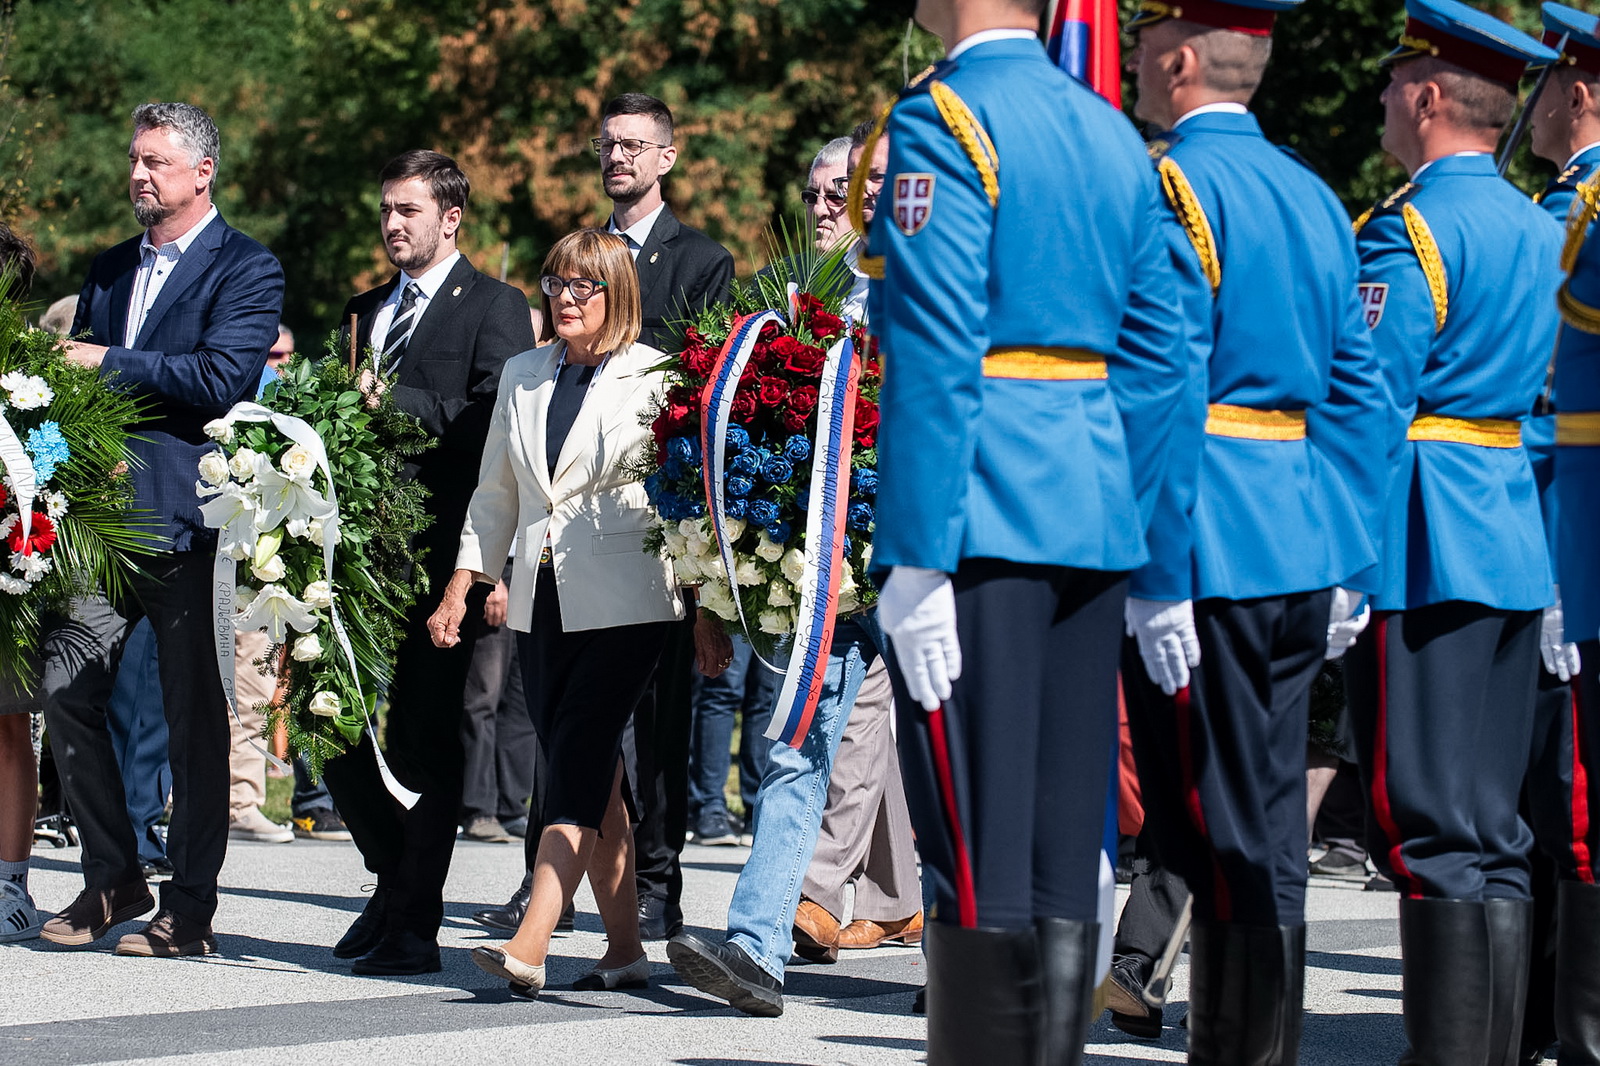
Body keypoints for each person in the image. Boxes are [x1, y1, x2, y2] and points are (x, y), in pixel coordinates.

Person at [862, 0, 1189, 1060]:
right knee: (1058, 845)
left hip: (980, 512)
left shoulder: (945, 118)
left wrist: (914, 551)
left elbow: (935, 340)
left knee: (972, 845)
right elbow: (1159, 358)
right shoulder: (1109, 131)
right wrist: (1156, 550)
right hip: (1092, 512)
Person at [1120, 0, 1389, 1056]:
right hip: (1298, 534)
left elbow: (1166, 383)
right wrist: (1353, 558)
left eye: (1142, 48)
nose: (1133, 64)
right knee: (1268, 814)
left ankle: (1237, 1050)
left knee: (1215, 815)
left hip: (1209, 538)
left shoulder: (1174, 186)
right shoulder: (1318, 196)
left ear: (1179, 60)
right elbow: (1358, 392)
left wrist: (1158, 564)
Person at [1343, 3, 1563, 1062]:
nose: (1384, 101)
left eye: (1394, 83)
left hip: (1421, 532)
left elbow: (1372, 405)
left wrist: (1341, 556)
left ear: (1429, 96)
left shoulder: (1409, 228)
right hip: (1511, 529)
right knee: (1495, 828)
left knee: (1422, 817)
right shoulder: (1538, 224)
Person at [666, 130, 920, 1015]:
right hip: (837, 565)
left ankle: (979, 958)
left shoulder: (939, 287)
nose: (836, 202)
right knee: (795, 745)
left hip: (932, 563)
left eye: (863, 183)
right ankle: (756, 947)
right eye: (830, 188)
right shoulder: (799, 302)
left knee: (953, 764)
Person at [41, 101, 285, 957]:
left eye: (156, 162)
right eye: (135, 160)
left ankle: (189, 909)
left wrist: (106, 362)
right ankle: (112, 878)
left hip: (190, 524)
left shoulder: (246, 269)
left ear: (201, 172)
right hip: (104, 526)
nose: (140, 174)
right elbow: (77, 388)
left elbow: (220, 377)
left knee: (193, 723)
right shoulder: (110, 269)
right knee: (65, 689)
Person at [429, 228, 690, 997]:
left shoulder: (658, 377)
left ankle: (534, 937)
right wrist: (463, 585)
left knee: (572, 758)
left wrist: (706, 612)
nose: (565, 298)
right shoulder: (523, 372)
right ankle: (625, 949)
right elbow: (497, 490)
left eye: (583, 286)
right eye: (555, 284)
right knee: (594, 772)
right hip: (539, 597)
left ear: (618, 293)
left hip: (631, 597)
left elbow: (683, 502)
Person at [319, 149, 536, 977]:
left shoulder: (497, 307)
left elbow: (494, 424)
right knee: (326, 719)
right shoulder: (361, 310)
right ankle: (393, 877)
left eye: (408, 209)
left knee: (424, 738)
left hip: (444, 555)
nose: (392, 223)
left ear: (451, 218)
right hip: (355, 552)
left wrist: (393, 400)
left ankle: (413, 921)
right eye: (385, 209)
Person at [1528, 6, 1600, 1060]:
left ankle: (1576, 1029)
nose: (1527, 103)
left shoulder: (1579, 213)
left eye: (1544, 82)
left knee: (1574, 796)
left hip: (1566, 524)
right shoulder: (1558, 208)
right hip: (1553, 522)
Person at [0, 222, 42, 943]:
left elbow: (50, 457)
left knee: (7, 726)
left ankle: (10, 884)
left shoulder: (31, 369)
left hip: (10, 561)